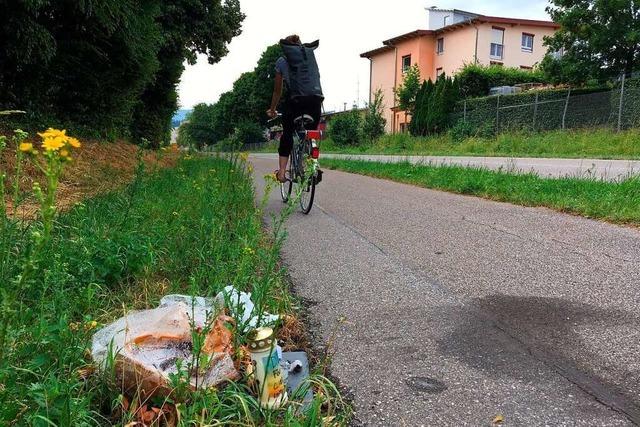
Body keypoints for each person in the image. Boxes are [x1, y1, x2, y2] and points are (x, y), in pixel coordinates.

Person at [267, 35, 324, 183]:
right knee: (311, 133)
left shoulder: (281, 61)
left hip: (295, 103)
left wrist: (272, 109)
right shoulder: (309, 59)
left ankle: (281, 173)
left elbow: (277, 91)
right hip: (315, 102)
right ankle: (312, 164)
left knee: (287, 133)